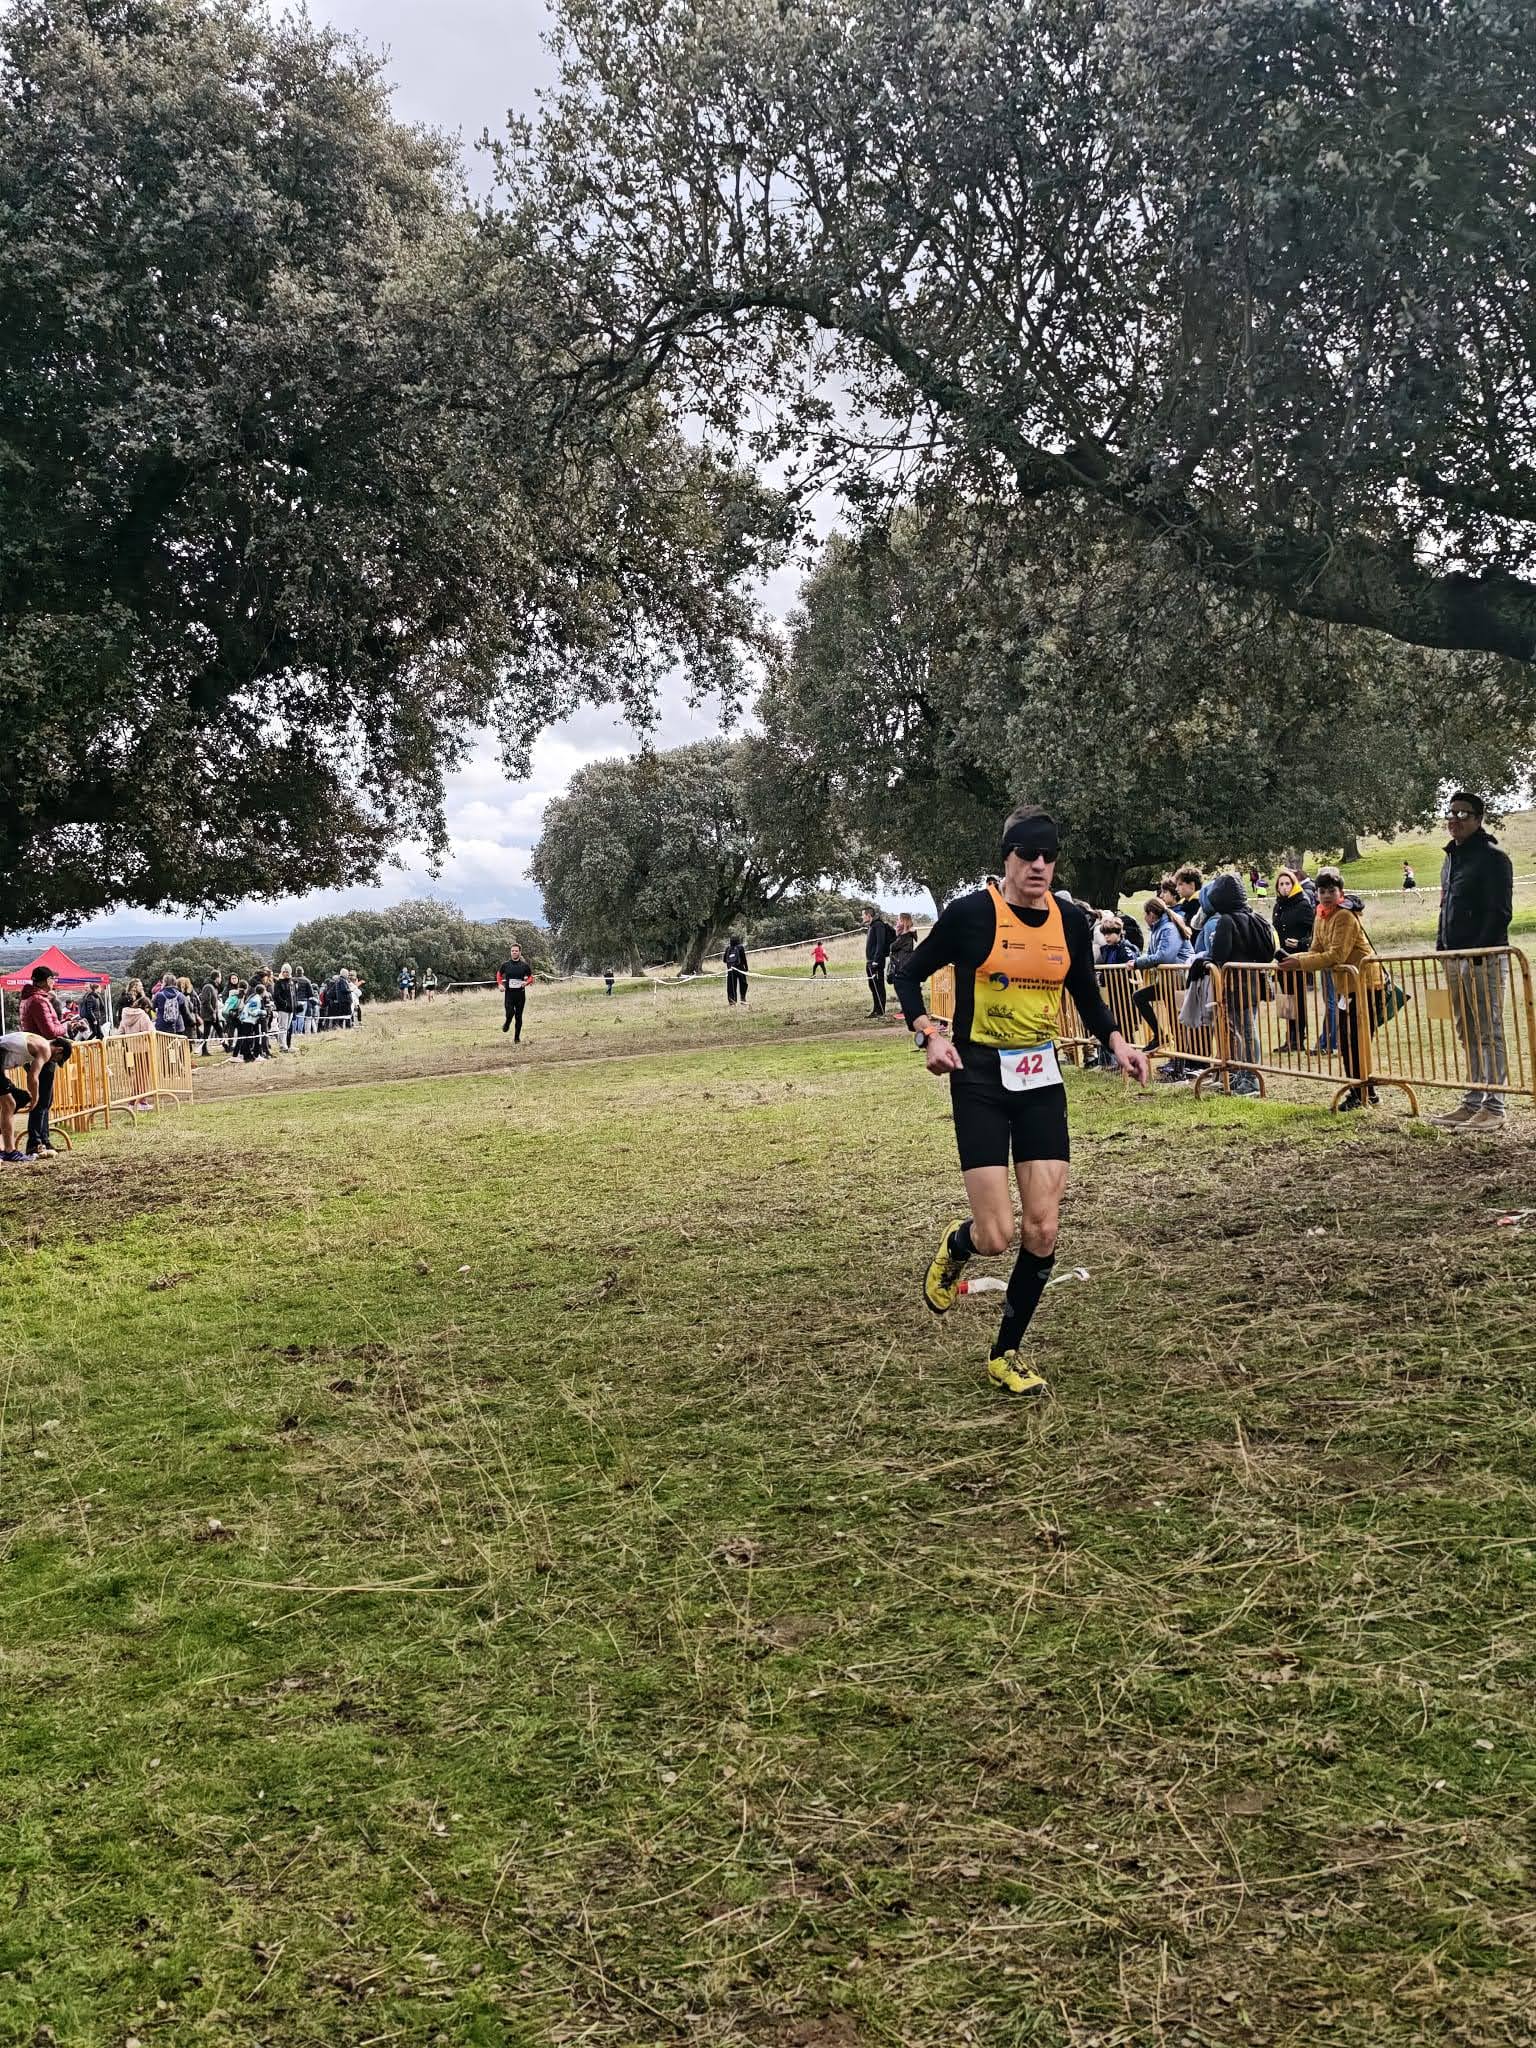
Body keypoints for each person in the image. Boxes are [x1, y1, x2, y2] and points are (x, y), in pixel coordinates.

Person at [895, 804, 1149, 1399]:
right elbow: (906, 972)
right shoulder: (972, 914)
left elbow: (1085, 990)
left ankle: (1005, 1352)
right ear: (1006, 857)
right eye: (1027, 854)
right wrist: (928, 1033)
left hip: (1040, 1080)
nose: (1038, 865)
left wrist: (1117, 1041)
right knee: (997, 1235)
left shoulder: (1069, 919)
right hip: (979, 1078)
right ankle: (959, 1245)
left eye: (1048, 856)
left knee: (1043, 1227)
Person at [1435, 791, 1515, 1131]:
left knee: (1488, 1031)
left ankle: (1494, 1106)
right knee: (1465, 1030)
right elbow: (1445, 906)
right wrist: (1442, 948)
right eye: (1451, 812)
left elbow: (1500, 913)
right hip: (1453, 958)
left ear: (1479, 819)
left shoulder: (1493, 858)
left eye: (1463, 813)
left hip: (1484, 959)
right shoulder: (1451, 859)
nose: (1455, 819)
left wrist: (1477, 953)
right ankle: (1472, 1100)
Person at [1278, 869, 1383, 1110]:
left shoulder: (1344, 916)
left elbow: (1337, 955)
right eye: (1322, 891)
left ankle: (1363, 1092)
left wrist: (1299, 963)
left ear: (1340, 892)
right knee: (1346, 1042)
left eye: (1331, 891)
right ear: (1316, 893)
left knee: (1356, 1042)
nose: (1326, 895)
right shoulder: (1321, 915)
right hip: (1346, 987)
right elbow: (1316, 950)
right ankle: (1362, 1091)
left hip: (1365, 985)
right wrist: (1293, 959)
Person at [1193, 874, 1274, 1095]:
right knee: (1245, 1030)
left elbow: (1219, 954)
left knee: (1245, 1032)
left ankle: (1251, 1079)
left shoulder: (1227, 921)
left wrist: (1205, 962)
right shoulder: (1254, 917)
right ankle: (1244, 1075)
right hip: (1252, 982)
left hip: (1236, 984)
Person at [18, 968, 69, 1156]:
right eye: (52, 979)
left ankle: (44, 1140)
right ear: (46, 980)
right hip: (43, 1051)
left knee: (45, 1099)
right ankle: (36, 1142)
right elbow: (50, 1031)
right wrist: (65, 1026)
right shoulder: (39, 1001)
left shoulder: (27, 999)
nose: (53, 982)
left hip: (34, 1050)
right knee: (42, 1099)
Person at [0, 1030, 71, 1162]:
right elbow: (33, 1077)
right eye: (57, 1060)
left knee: (18, 1099)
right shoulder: (45, 1049)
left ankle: (5, 1149)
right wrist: (35, 1097)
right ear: (59, 1050)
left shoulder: (37, 1040)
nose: (53, 1061)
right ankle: (9, 1151)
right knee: (10, 1104)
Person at [1132, 896, 1192, 1051]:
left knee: (1175, 1019)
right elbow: (1152, 954)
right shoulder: (1158, 930)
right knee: (1139, 997)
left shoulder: (1168, 929)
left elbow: (1164, 956)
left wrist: (1137, 963)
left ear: (1151, 914)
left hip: (1178, 978)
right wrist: (1138, 961)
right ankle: (1160, 1037)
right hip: (1168, 980)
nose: (1144, 918)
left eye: (1145, 914)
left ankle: (1182, 1057)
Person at [1272, 869, 1316, 1052]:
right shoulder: (1278, 906)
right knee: (1286, 998)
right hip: (1282, 958)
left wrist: (1301, 943)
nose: (1284, 887)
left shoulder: (1303, 904)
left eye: (1287, 883)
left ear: (1294, 884)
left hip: (1298, 959)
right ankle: (1289, 1038)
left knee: (1297, 999)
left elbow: (1315, 933)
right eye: (1281, 884)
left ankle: (1298, 1038)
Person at [863, 905, 894, 1017]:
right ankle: (875, 1009)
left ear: (868, 915)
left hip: (876, 962)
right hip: (870, 961)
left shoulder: (878, 925)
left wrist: (876, 960)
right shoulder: (871, 926)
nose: (862, 917)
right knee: (872, 986)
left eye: (863, 915)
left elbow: (880, 944)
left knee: (878, 986)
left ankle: (880, 1010)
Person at [498, 946, 533, 1040]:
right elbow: (499, 974)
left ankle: (517, 1038)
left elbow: (530, 977)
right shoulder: (505, 965)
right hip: (509, 994)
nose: (514, 952)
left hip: (520, 994)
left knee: (518, 1016)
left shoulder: (524, 966)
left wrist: (526, 982)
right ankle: (507, 1023)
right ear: (510, 952)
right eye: (512, 951)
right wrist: (500, 984)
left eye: (516, 951)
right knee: (510, 1012)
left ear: (520, 952)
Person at [887, 914, 917, 990]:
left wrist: (903, 934)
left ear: (904, 922)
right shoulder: (903, 935)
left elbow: (892, 947)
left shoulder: (906, 936)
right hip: (902, 965)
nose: (897, 922)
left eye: (899, 920)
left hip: (902, 966)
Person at [723, 935, 750, 1005]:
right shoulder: (740, 947)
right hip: (740, 968)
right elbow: (744, 958)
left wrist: (730, 962)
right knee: (743, 984)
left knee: (731, 986)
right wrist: (746, 968)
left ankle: (732, 1001)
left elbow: (724, 960)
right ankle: (743, 999)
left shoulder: (728, 948)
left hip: (730, 970)